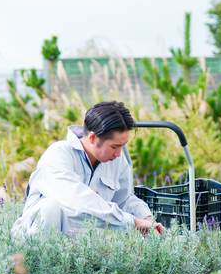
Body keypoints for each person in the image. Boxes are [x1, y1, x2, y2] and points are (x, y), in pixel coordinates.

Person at [12, 100, 163, 238]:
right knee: (51, 208)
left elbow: (123, 199)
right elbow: (78, 201)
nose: (118, 153)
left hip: (84, 244)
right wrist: (133, 221)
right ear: (92, 138)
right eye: (114, 147)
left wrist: (145, 217)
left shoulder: (117, 160)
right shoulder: (58, 155)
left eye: (123, 146)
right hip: (39, 242)